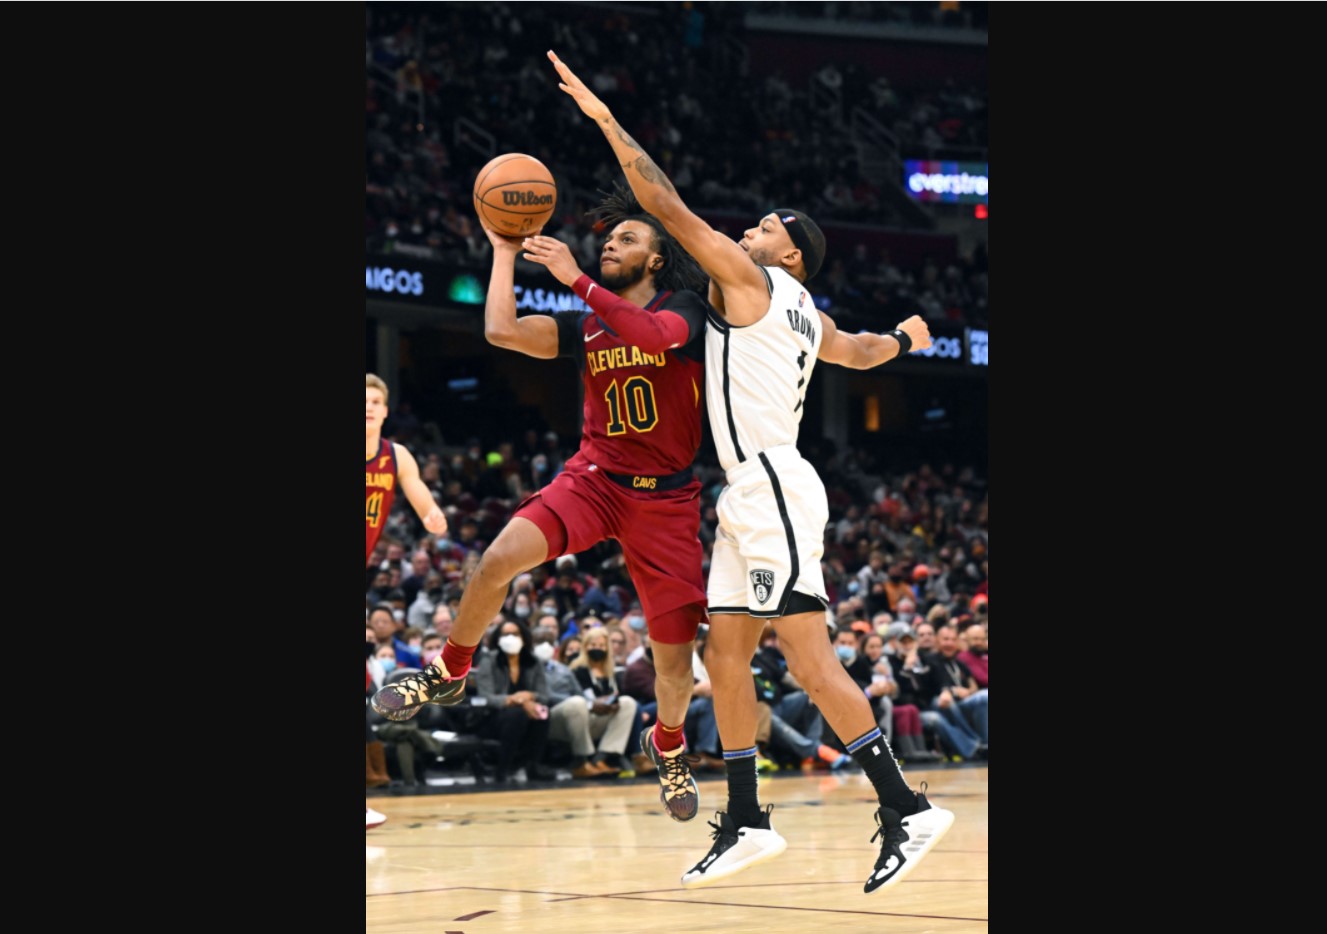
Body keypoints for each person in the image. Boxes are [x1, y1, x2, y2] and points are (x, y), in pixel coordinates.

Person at [549, 49, 953, 894]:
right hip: (748, 493)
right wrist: (913, 338)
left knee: (807, 659)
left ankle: (906, 806)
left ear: (790, 256)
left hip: (770, 484)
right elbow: (866, 352)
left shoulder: (752, 281)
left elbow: (661, 200)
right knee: (723, 654)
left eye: (768, 225)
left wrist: (604, 120)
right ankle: (744, 818)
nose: (750, 231)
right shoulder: (815, 315)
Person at [371, 184, 713, 824]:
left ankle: (667, 743)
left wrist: (576, 278)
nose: (612, 243)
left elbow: (654, 338)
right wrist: (502, 250)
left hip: (665, 502)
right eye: (608, 239)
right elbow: (501, 329)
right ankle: (449, 668)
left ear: (658, 259)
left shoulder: (686, 307)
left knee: (674, 665)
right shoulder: (586, 325)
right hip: (595, 478)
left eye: (629, 238)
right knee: (498, 557)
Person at [366, 372, 448, 825]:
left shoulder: (396, 455)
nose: (369, 407)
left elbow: (420, 498)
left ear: (385, 408)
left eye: (376, 400)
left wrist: (433, 515)